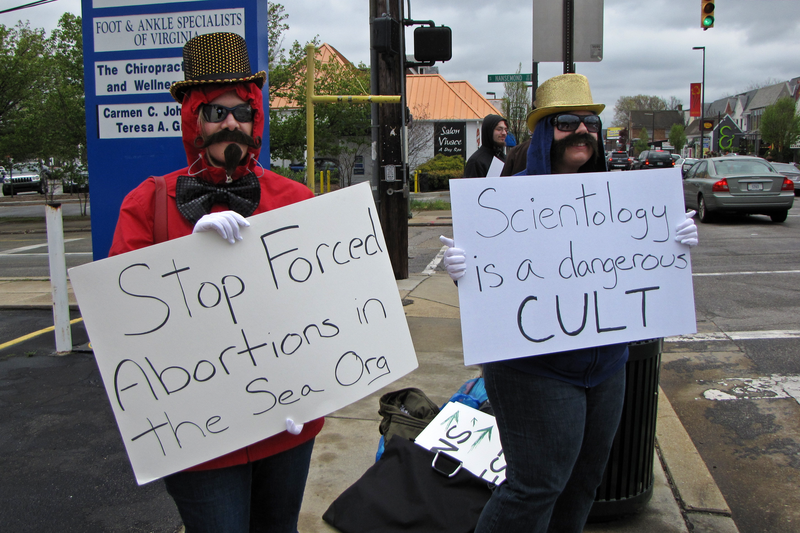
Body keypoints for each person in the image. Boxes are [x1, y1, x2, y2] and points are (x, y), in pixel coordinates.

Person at [440, 73, 698, 533]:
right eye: (566, 123)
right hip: (534, 371)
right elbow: (495, 291)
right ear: (543, 133)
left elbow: (634, 263)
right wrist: (465, 270)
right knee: (535, 486)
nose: (582, 131)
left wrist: (670, 242)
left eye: (590, 123)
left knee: (583, 483)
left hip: (607, 367)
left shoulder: (620, 197)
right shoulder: (506, 200)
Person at [108, 32, 323, 533]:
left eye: (242, 111)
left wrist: (318, 389)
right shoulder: (147, 205)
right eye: (216, 110)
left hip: (286, 423)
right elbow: (120, 324)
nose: (232, 122)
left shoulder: (296, 198)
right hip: (200, 436)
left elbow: (327, 304)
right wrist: (187, 259)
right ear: (192, 118)